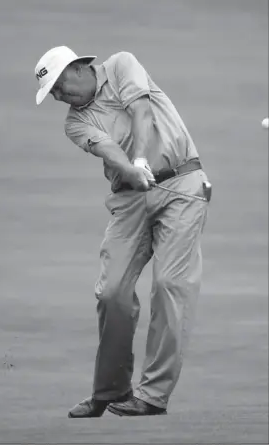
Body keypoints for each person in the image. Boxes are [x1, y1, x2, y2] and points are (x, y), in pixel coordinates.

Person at [34, 46, 210, 417]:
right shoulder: (74, 122)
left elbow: (142, 112)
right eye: (52, 93)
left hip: (181, 185)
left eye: (59, 86)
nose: (58, 96)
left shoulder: (120, 64)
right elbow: (109, 149)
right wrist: (131, 170)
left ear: (78, 67)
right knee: (111, 291)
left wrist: (142, 159)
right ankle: (109, 390)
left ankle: (152, 396)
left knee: (169, 287)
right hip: (129, 199)